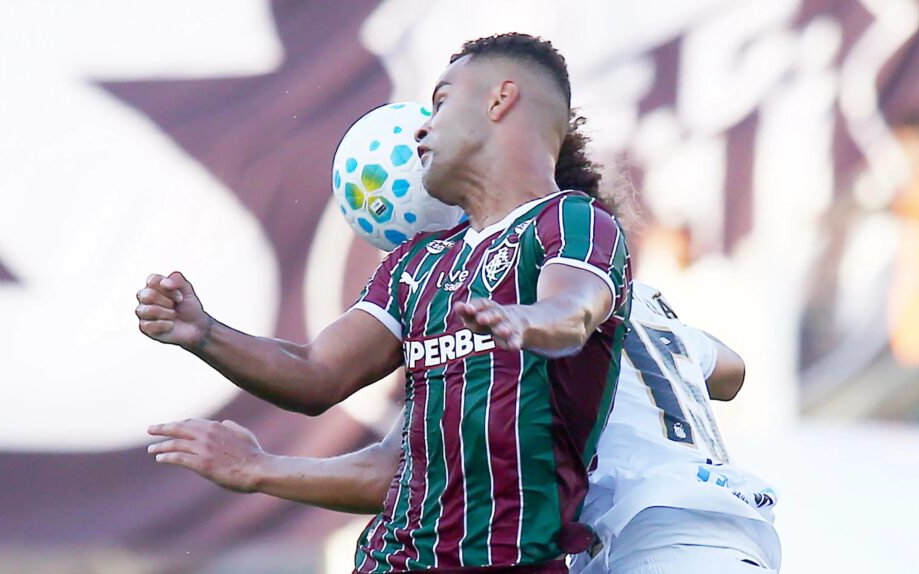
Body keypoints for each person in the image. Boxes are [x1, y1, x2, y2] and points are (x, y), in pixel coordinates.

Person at [137, 33, 631, 573]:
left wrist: (527, 319)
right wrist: (205, 333)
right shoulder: (416, 263)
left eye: (440, 102)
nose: (422, 127)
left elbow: (577, 308)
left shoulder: (571, 222)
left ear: (500, 99)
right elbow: (316, 374)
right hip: (389, 560)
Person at [147, 282, 782, 574]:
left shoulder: (510, 307)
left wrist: (262, 468)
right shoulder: (632, 297)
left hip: (656, 540)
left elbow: (398, 468)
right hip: (729, 530)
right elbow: (731, 370)